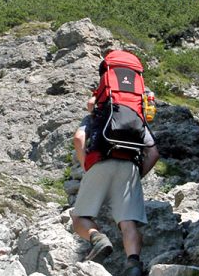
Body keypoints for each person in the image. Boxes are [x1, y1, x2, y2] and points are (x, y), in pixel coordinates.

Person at [70, 90, 160, 276]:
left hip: (100, 163)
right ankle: (133, 264)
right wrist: (137, 176)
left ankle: (98, 239)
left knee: (80, 219)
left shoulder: (96, 117)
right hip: (129, 167)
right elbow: (153, 153)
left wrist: (87, 166)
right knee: (128, 223)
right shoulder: (136, 119)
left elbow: (79, 139)